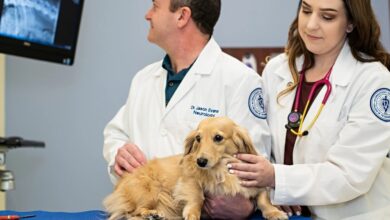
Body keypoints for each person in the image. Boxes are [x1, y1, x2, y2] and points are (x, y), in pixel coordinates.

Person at [103, 0, 271, 218]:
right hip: (144, 206)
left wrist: (249, 205)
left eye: (155, 6)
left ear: (182, 16)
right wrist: (118, 153)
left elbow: (255, 162)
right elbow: (116, 133)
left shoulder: (241, 80)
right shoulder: (143, 79)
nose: (147, 15)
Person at [228, 0, 390, 219]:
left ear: (351, 23)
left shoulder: (374, 81)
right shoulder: (278, 69)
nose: (311, 24)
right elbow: (260, 145)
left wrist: (277, 178)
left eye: (327, 17)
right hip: (284, 213)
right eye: (306, 10)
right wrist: (272, 192)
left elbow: (350, 175)